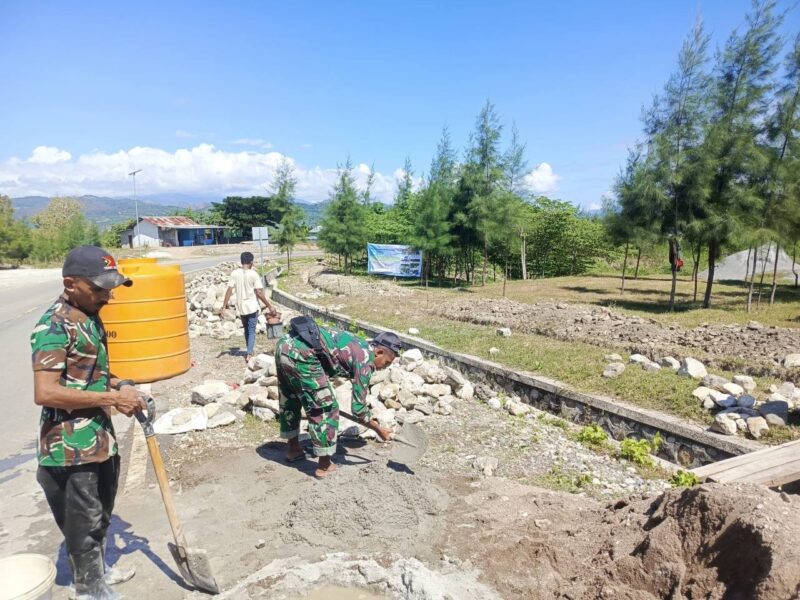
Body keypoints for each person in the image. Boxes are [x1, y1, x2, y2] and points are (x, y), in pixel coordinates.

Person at [31, 246, 146, 600]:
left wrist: (122, 385)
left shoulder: (89, 315)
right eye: (98, 289)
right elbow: (45, 392)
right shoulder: (53, 327)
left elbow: (90, 373)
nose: (107, 297)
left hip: (98, 439)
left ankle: (101, 572)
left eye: (110, 288)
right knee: (83, 525)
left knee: (101, 513)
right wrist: (112, 399)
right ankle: (89, 590)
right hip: (69, 449)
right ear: (71, 284)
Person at [275, 322, 399, 478]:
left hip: (284, 345)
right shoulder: (366, 362)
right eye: (386, 362)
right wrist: (378, 429)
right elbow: (359, 409)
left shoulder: (360, 344)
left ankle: (293, 449)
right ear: (379, 352)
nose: (385, 367)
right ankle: (324, 466)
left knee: (290, 397)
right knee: (327, 408)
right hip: (303, 353)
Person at [218, 251, 277, 362]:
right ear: (251, 262)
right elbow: (259, 292)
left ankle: (249, 350)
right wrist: (269, 305)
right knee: (251, 330)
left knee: (246, 329)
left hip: (241, 307)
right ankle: (249, 353)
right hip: (252, 307)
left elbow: (229, 290)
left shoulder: (235, 273)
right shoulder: (253, 274)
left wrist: (224, 306)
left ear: (241, 261)